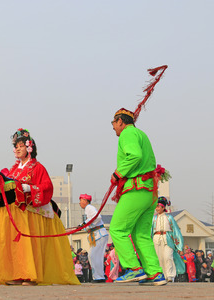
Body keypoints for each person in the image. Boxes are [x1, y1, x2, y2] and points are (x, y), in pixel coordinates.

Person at [0, 128, 79, 286]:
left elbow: (47, 187)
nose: (17, 149)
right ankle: (17, 274)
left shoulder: (37, 167)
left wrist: (29, 188)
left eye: (21, 145)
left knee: (29, 245)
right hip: (17, 214)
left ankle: (30, 276)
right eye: (15, 146)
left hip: (33, 213)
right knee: (17, 246)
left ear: (30, 148)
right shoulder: (13, 170)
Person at [109, 109, 166, 286]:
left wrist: (119, 173)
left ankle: (133, 268)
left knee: (117, 229)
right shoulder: (141, 134)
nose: (112, 127)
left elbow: (135, 155)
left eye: (113, 122)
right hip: (149, 192)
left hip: (136, 188)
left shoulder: (128, 133)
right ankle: (155, 272)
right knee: (141, 234)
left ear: (120, 121)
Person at [151, 196, 185, 282]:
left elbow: (176, 231)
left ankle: (170, 276)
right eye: (156, 206)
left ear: (163, 207)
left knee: (168, 257)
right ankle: (162, 275)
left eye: (158, 206)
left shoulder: (169, 218)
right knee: (159, 258)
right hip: (156, 239)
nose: (157, 208)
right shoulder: (153, 218)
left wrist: (179, 246)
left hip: (168, 239)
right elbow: (150, 231)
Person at [79, 193, 109, 283]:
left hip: (99, 234)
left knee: (93, 256)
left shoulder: (89, 208)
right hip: (98, 235)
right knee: (96, 256)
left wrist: (84, 223)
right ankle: (99, 276)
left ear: (85, 201)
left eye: (80, 200)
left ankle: (98, 276)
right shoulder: (88, 209)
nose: (80, 203)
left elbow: (97, 217)